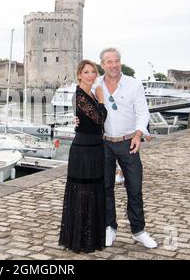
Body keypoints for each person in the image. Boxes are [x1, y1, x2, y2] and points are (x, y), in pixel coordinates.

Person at [94, 47, 157, 249]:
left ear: (120, 62)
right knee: (105, 188)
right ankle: (109, 228)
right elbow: (84, 106)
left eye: (116, 60)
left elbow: (142, 113)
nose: (113, 65)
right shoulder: (96, 85)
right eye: (109, 62)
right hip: (103, 143)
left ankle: (139, 231)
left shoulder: (134, 84)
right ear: (102, 65)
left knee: (135, 188)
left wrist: (139, 134)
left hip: (128, 141)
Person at [59, 60, 108, 253]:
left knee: (93, 191)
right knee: (83, 192)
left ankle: (90, 236)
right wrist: (102, 99)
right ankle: (79, 239)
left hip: (95, 146)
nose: (91, 75)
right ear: (79, 75)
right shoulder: (81, 95)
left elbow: (94, 122)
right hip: (84, 148)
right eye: (86, 72)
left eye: (93, 72)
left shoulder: (90, 94)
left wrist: (98, 99)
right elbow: (100, 118)